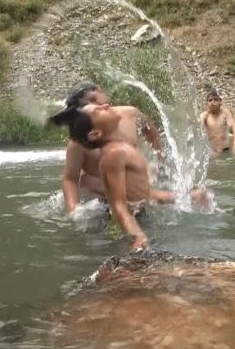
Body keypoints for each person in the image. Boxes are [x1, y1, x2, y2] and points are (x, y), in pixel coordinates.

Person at [54, 103, 175, 249]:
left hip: (141, 215)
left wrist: (186, 197)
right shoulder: (113, 155)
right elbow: (119, 205)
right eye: (98, 110)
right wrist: (137, 236)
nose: (105, 105)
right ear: (95, 133)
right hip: (133, 224)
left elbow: (141, 193)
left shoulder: (120, 148)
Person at [50, 82, 163, 213]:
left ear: (101, 91)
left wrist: (160, 160)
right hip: (101, 199)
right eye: (87, 105)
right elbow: (70, 179)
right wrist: (74, 211)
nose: (95, 105)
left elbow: (151, 131)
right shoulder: (79, 143)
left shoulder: (130, 114)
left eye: (94, 98)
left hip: (136, 191)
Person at [200, 89, 235, 156]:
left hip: (225, 151)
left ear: (220, 101)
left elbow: (234, 126)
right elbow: (197, 130)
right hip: (212, 152)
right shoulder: (204, 116)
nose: (212, 102)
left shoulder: (225, 113)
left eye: (215, 100)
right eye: (210, 100)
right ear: (207, 103)